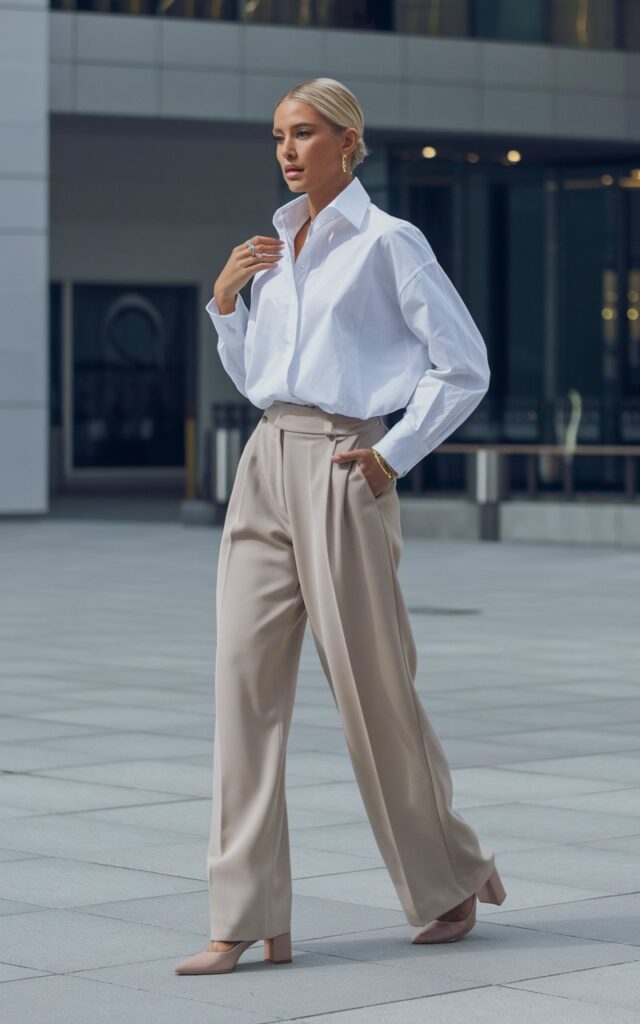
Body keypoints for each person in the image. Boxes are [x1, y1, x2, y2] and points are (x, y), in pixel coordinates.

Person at [173, 76, 506, 977]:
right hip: (263, 464)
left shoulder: (390, 243)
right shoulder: (274, 248)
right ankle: (244, 917)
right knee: (242, 691)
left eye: (305, 133)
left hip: (342, 466)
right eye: (278, 136)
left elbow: (463, 364)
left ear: (348, 142)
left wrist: (393, 454)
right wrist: (227, 303)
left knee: (373, 690)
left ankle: (449, 880)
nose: (287, 150)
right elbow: (258, 381)